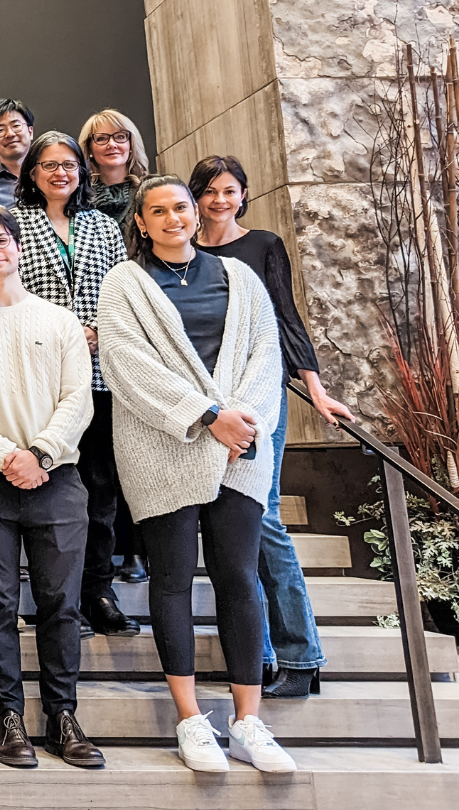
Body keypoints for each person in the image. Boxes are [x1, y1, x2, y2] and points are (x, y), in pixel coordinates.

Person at [100, 175, 296, 774]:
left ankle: (247, 722)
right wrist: (209, 417)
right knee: (173, 579)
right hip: (164, 446)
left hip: (240, 448)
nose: (173, 218)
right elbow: (127, 365)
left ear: (195, 212)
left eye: (180, 207)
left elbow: (266, 353)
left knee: (239, 576)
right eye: (157, 211)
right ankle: (190, 719)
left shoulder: (239, 276)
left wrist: (242, 423)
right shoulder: (124, 283)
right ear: (140, 222)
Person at [0, 207, 103, 769]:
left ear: (17, 246)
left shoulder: (59, 321)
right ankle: (8, 716)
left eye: (1, 240)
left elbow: (78, 398)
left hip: (57, 478)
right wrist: (8, 457)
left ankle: (63, 716)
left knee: (60, 603)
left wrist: (41, 454)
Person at [191, 155, 354, 699]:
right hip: (206, 407)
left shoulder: (262, 246)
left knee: (263, 519)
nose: (219, 200)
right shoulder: (183, 253)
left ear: (244, 195)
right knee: (226, 531)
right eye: (210, 191)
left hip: (259, 398)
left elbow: (287, 317)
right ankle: (254, 656)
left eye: (229, 190)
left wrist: (316, 391)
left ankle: (300, 655)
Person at [10, 131, 138, 639]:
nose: (60, 173)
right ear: (32, 173)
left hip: (101, 377)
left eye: (69, 164)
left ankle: (99, 593)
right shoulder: (13, 225)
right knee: (52, 492)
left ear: (81, 172)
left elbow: (124, 295)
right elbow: (5, 297)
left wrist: (100, 331)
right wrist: (61, 336)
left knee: (100, 493)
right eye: (49, 165)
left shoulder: (103, 226)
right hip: (41, 379)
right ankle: (58, 599)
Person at [80, 109, 150, 223]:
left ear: (131, 144)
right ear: (89, 149)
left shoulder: (149, 194)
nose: (112, 145)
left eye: (120, 137)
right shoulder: (78, 199)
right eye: (101, 138)